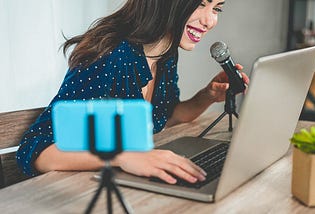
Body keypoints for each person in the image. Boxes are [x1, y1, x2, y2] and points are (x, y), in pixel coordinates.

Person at [17, 0, 249, 185]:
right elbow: (35, 150)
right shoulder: (110, 54)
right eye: (200, 4)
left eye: (216, 8)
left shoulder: (165, 52)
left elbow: (168, 116)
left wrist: (207, 96)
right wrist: (123, 157)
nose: (210, 20)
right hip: (71, 193)